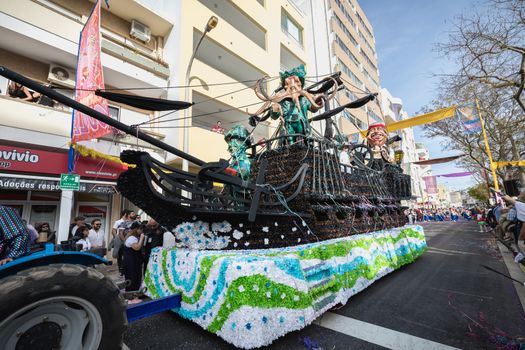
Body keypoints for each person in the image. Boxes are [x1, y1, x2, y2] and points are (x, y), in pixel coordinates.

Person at [123, 222, 145, 304]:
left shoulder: (131, 237)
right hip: (131, 262)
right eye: (141, 229)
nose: (142, 231)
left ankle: (133, 297)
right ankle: (131, 298)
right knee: (132, 278)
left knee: (134, 278)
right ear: (136, 229)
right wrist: (142, 238)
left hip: (133, 261)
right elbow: (137, 248)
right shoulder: (132, 238)